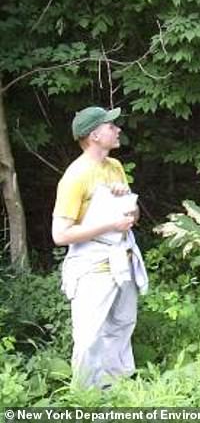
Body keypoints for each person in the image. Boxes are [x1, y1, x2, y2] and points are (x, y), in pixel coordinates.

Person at [52, 106, 148, 389]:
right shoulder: (75, 176)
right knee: (89, 337)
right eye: (111, 126)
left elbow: (132, 217)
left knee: (122, 325)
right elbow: (60, 234)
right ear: (94, 135)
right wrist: (109, 224)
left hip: (122, 261)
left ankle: (117, 389)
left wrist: (126, 204)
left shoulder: (115, 167)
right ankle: (84, 399)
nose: (117, 129)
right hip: (92, 269)